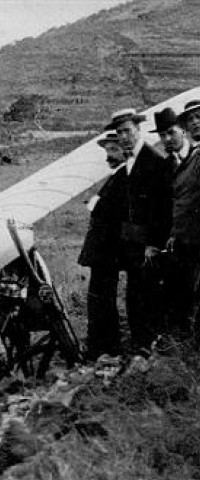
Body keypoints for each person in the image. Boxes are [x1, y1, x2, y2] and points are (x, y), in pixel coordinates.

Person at [107, 108, 172, 351]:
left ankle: (148, 346)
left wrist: (153, 244)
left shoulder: (154, 160)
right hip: (132, 244)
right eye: (120, 132)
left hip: (147, 245)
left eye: (128, 131)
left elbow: (162, 209)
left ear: (138, 130)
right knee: (134, 294)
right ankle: (138, 346)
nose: (124, 136)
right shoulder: (129, 162)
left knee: (148, 296)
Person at [78, 133, 127, 359]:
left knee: (101, 300)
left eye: (114, 150)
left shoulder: (124, 177)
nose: (109, 155)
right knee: (99, 299)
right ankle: (102, 344)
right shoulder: (116, 176)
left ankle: (103, 347)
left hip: (108, 252)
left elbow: (114, 214)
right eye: (107, 150)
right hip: (103, 252)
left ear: (125, 150)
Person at [153, 108, 192, 334]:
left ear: (183, 131)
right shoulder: (163, 167)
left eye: (171, 133)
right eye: (162, 136)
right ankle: (177, 334)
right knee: (175, 287)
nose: (167, 139)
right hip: (175, 241)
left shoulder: (196, 157)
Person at [165, 99, 200, 342]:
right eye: (191, 119)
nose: (196, 122)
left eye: (199, 116)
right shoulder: (193, 157)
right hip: (190, 239)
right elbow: (183, 201)